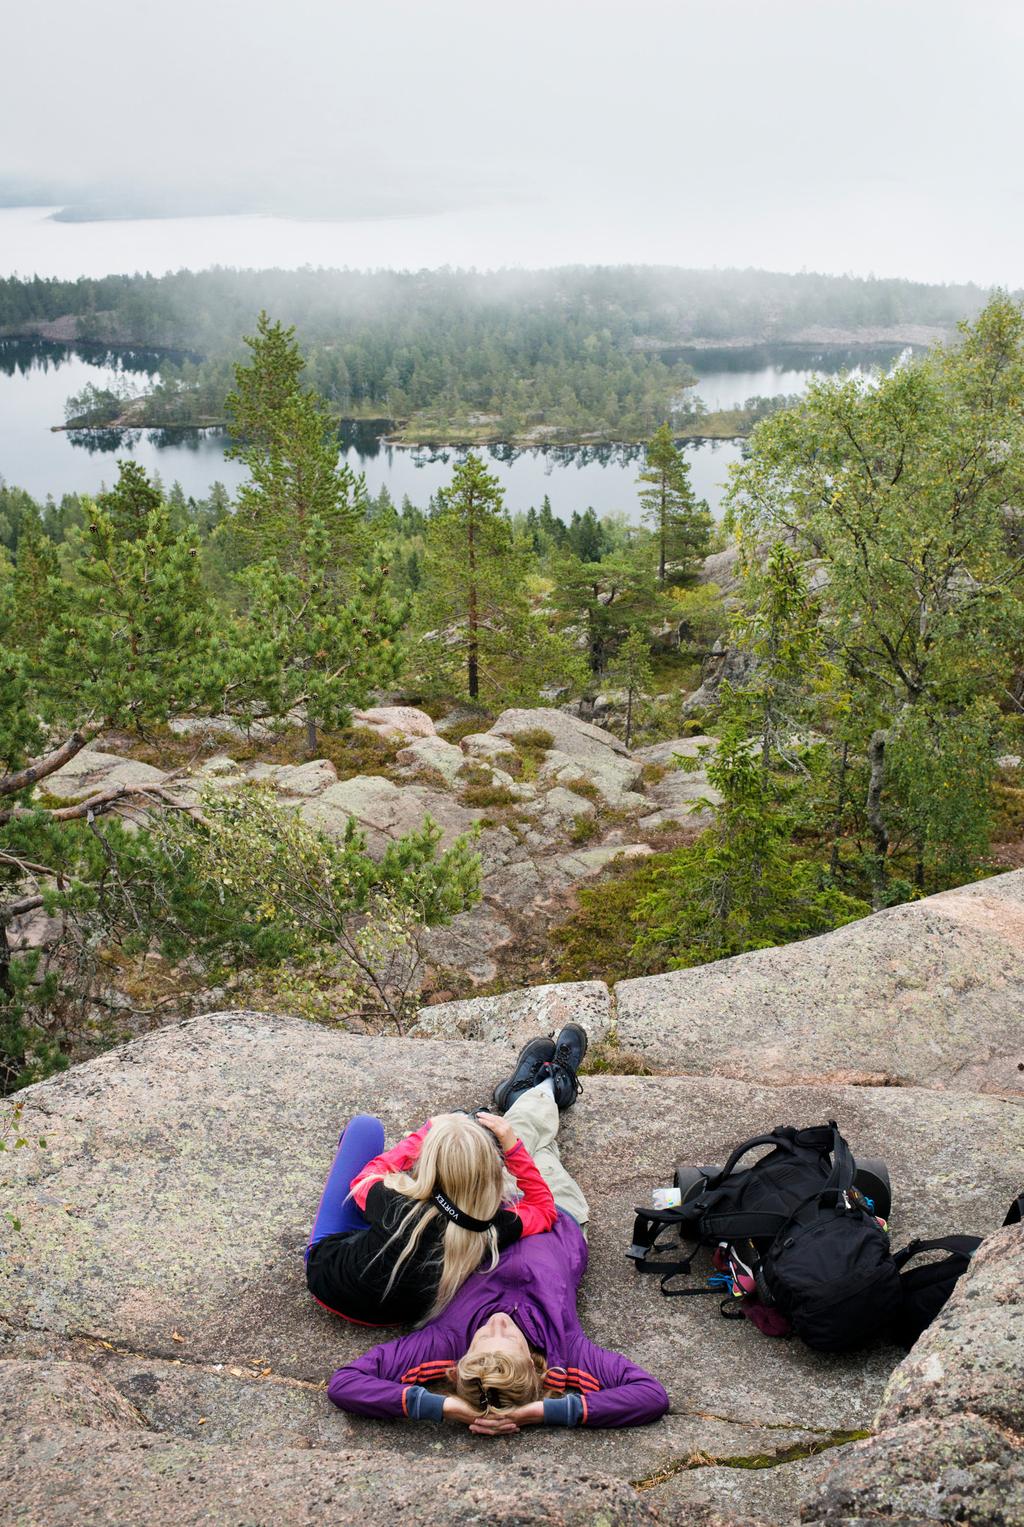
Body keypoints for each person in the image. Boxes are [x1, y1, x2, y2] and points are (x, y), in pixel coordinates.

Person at [327, 1026, 670, 1432]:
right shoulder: (566, 1350)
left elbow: (346, 1384)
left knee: (524, 1139)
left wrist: (443, 1407)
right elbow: (650, 1394)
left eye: (484, 1336)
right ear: (536, 1366)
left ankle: (538, 1093)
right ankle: (543, 1089)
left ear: (455, 1369)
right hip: (556, 1215)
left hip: (482, 1211)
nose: (497, 1322)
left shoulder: (445, 1341)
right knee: (531, 1146)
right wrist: (546, 1412)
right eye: (507, 1336)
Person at [305, 1028, 585, 1327]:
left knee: (364, 1128)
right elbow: (544, 1209)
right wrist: (512, 1146)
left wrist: (427, 1131)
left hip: (328, 1281)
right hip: (400, 1316)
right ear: (492, 1175)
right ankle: (539, 1093)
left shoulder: (393, 1203)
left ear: (425, 1166)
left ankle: (533, 1095)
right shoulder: (490, 1228)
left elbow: (365, 1178)